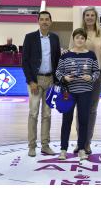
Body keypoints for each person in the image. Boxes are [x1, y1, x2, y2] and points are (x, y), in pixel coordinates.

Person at [69, 6, 101, 154]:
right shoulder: (78, 33)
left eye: (92, 15)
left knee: (91, 110)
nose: (90, 17)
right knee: (80, 109)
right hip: (78, 77)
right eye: (87, 15)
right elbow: (70, 52)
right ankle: (80, 143)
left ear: (96, 17)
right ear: (84, 17)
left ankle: (87, 143)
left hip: (96, 77)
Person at [56, 28, 100, 161]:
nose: (80, 40)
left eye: (82, 38)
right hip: (68, 93)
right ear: (73, 39)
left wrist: (91, 77)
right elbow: (58, 72)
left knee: (83, 121)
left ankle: (81, 148)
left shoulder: (91, 55)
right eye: (77, 38)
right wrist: (64, 78)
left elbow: (96, 71)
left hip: (85, 92)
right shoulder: (65, 55)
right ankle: (63, 149)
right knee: (66, 121)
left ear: (85, 40)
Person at [22, 10, 61, 157]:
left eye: (47, 19)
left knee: (47, 114)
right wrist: (31, 81)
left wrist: (57, 82)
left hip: (50, 80)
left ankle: (45, 145)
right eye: (42, 19)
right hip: (35, 81)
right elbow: (25, 61)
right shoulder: (30, 37)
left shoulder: (55, 38)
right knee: (33, 114)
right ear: (38, 21)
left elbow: (57, 61)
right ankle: (32, 146)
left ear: (50, 22)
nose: (44, 22)